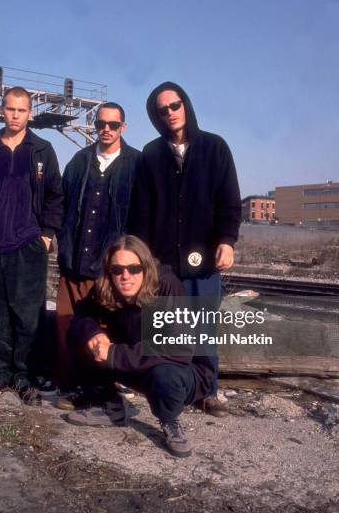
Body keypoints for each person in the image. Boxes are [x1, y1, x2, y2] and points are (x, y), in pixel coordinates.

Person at [128, 82, 241, 417]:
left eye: (174, 105)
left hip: (203, 259)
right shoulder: (150, 154)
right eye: (162, 110)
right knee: (163, 327)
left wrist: (227, 240)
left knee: (203, 326)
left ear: (186, 105)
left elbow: (229, 202)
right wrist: (143, 258)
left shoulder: (214, 147)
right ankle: (166, 389)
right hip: (162, 261)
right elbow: (140, 211)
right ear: (155, 116)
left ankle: (208, 391)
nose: (170, 114)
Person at [65, 235, 214, 457]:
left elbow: (178, 350)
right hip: (136, 361)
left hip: (184, 370)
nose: (125, 276)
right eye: (117, 269)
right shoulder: (109, 287)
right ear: (110, 271)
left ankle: (169, 419)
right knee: (87, 340)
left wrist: (114, 354)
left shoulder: (166, 286)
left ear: (145, 267)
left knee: (165, 374)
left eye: (134, 268)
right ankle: (109, 405)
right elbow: (80, 318)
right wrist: (94, 334)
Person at [0, 86, 63, 405]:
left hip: (27, 244)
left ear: (30, 113)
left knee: (27, 316)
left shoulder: (42, 150)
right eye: (10, 109)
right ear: (2, 111)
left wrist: (46, 235)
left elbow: (54, 195)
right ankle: (1, 375)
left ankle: (24, 376)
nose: (15, 115)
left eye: (21, 110)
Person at [55, 102, 140, 407]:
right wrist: (60, 244)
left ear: (123, 128)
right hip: (74, 260)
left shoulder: (136, 164)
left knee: (106, 328)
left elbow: (141, 215)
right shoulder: (79, 161)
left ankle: (106, 386)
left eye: (113, 125)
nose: (106, 130)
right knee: (67, 323)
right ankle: (71, 385)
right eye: (101, 124)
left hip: (110, 268)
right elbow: (62, 206)